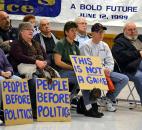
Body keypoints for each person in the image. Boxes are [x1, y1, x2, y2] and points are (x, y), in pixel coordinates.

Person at [9, 22, 59, 119]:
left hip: (40, 68)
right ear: (21, 32)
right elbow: (19, 57)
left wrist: (44, 63)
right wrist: (36, 62)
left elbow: (47, 58)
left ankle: (50, 108)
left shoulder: (37, 44)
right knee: (35, 81)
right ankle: (34, 108)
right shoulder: (16, 44)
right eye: (28, 29)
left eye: (32, 29)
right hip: (22, 70)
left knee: (55, 78)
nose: (31, 31)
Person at [54, 21, 103, 118]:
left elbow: (80, 62)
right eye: (72, 31)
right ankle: (89, 107)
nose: (74, 33)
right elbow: (57, 62)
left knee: (89, 78)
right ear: (66, 32)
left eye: (75, 31)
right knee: (83, 79)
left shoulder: (75, 46)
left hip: (74, 73)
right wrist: (73, 68)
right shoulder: (60, 43)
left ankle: (91, 106)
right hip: (61, 72)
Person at [80, 23, 129, 112]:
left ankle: (107, 98)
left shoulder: (105, 45)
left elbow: (110, 61)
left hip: (105, 72)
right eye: (99, 32)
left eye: (103, 32)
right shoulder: (85, 45)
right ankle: (89, 104)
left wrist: (108, 70)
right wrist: (102, 70)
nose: (102, 34)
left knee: (124, 79)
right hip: (91, 73)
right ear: (93, 33)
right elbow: (87, 64)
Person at [112, 22, 142, 105]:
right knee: (139, 77)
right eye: (130, 30)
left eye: (134, 29)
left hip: (139, 67)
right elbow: (121, 57)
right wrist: (138, 53)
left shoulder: (140, 38)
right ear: (124, 31)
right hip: (128, 69)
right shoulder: (120, 42)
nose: (133, 31)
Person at [0, 48, 21, 124]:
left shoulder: (0, 50)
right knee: (1, 80)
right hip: (1, 75)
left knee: (18, 80)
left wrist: (9, 71)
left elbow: (7, 64)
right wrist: (1, 73)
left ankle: (16, 113)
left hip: (5, 74)